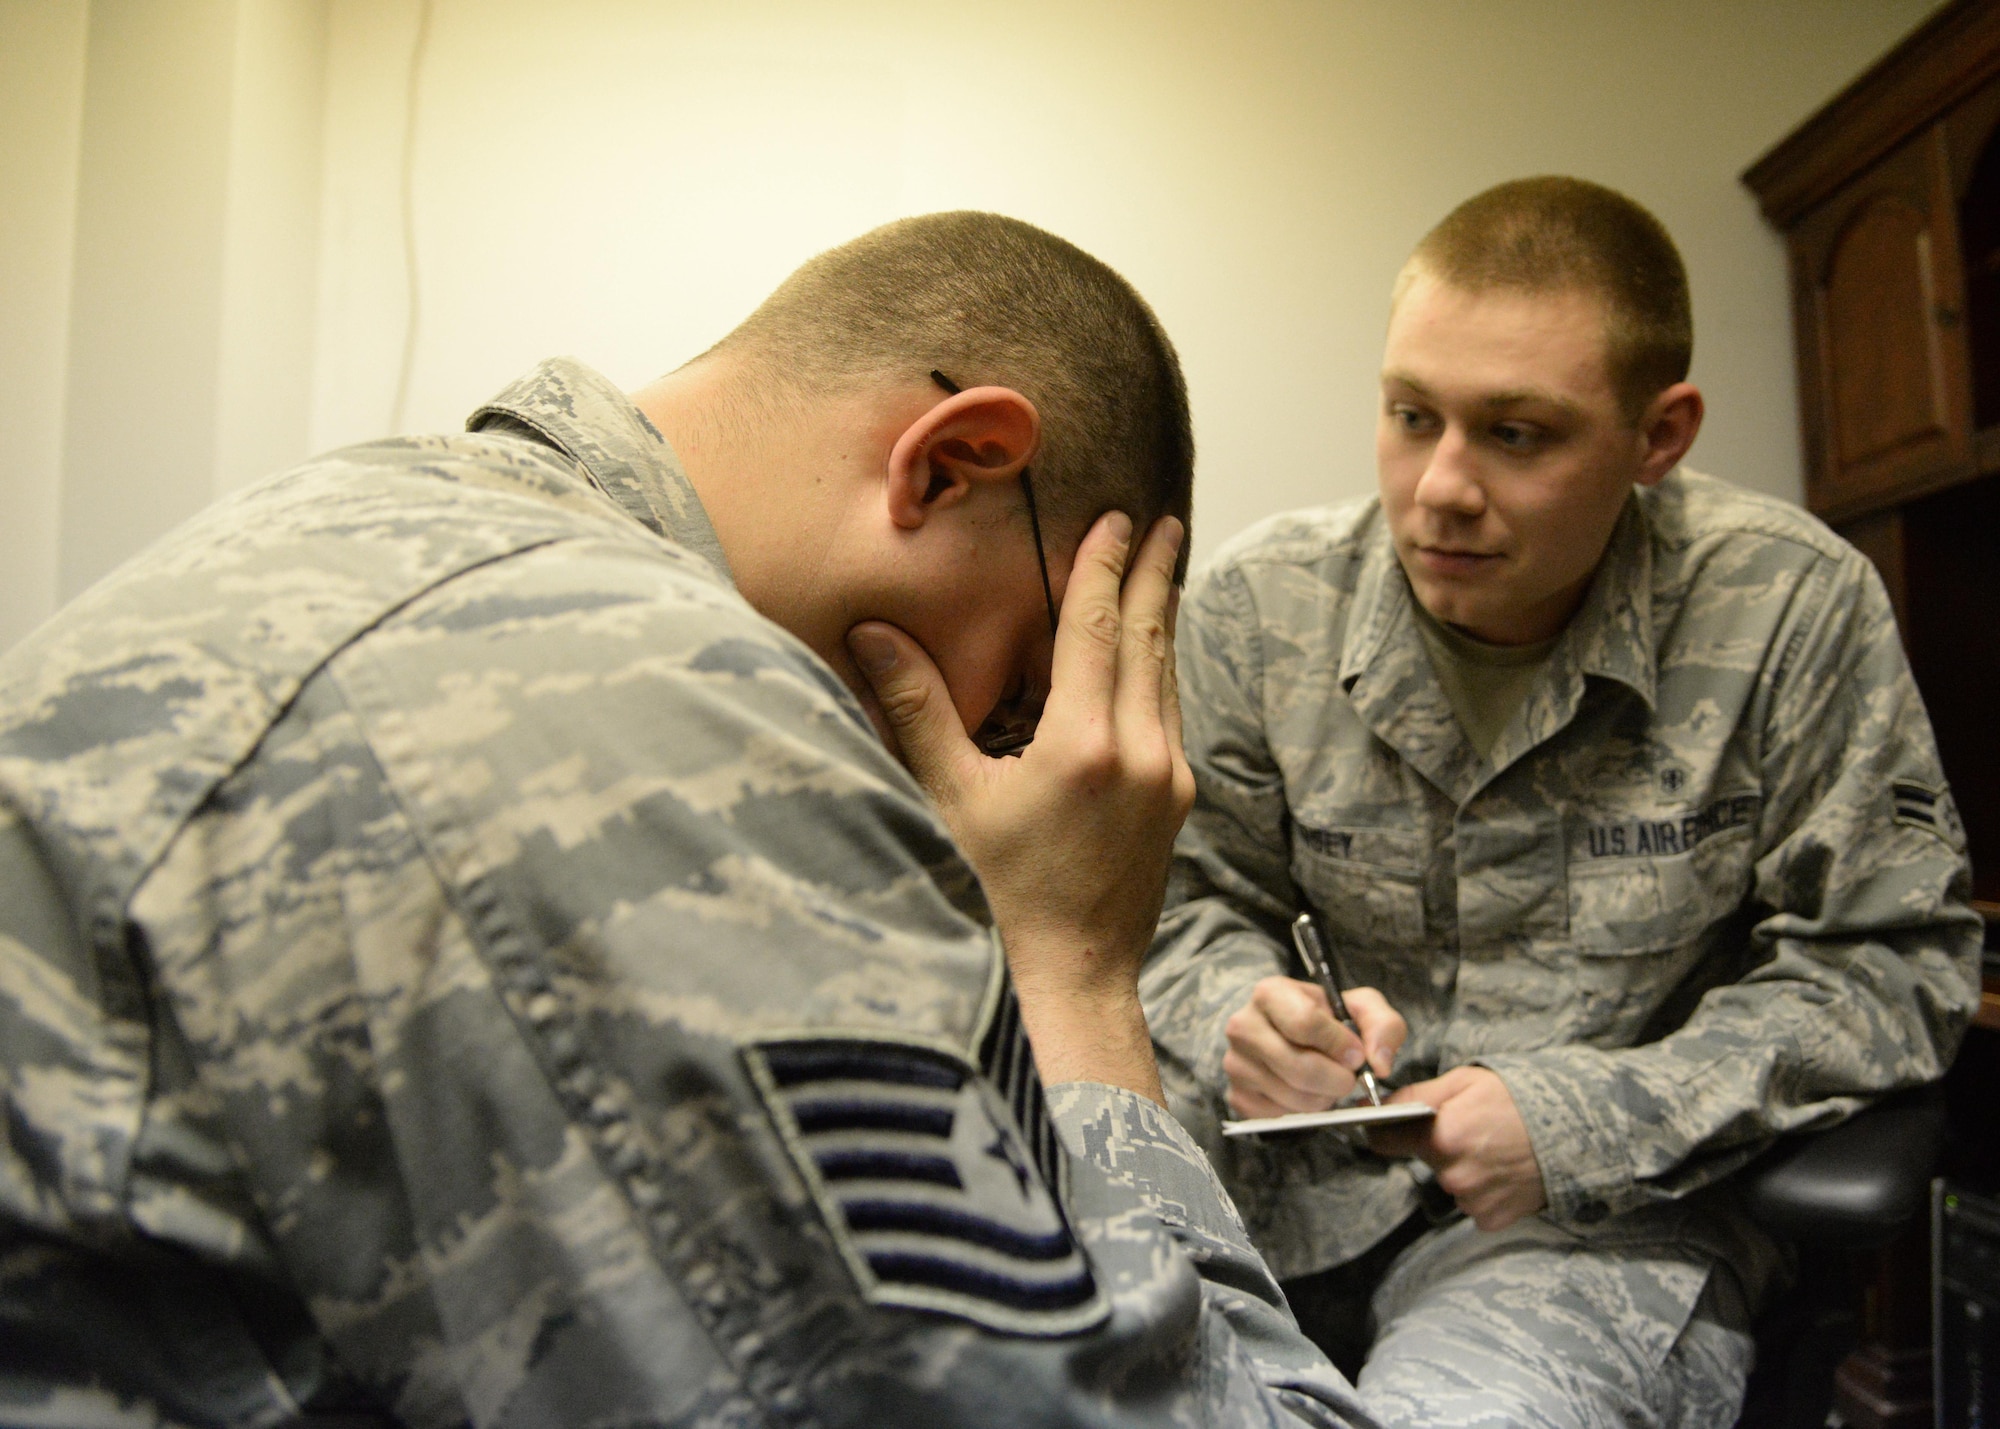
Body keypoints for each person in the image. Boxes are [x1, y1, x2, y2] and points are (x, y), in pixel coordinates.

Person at [0, 213, 1379, 1427]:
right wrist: (1074, 974)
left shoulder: (377, 526)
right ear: (950, 464)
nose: (1007, 772)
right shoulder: (643, 696)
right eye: (1022, 698)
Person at [1140, 177, 1983, 1427]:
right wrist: (1237, 1018)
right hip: (1265, 1203)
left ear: (1659, 435)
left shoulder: (1786, 611)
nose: (1437, 487)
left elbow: (1892, 964)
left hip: (1596, 1225)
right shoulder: (1259, 612)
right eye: (1408, 415)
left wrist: (1584, 1116)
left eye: (1515, 434)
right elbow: (1178, 902)